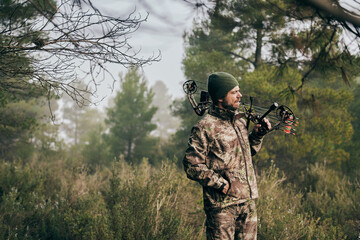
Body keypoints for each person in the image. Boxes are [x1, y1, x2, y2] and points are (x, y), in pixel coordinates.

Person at [183, 72, 271, 240]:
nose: (240, 95)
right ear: (220, 97)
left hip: (247, 203)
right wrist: (221, 184)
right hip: (222, 208)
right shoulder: (205, 127)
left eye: (238, 91)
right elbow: (191, 165)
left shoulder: (239, 122)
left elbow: (246, 154)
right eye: (234, 92)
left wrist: (257, 135)